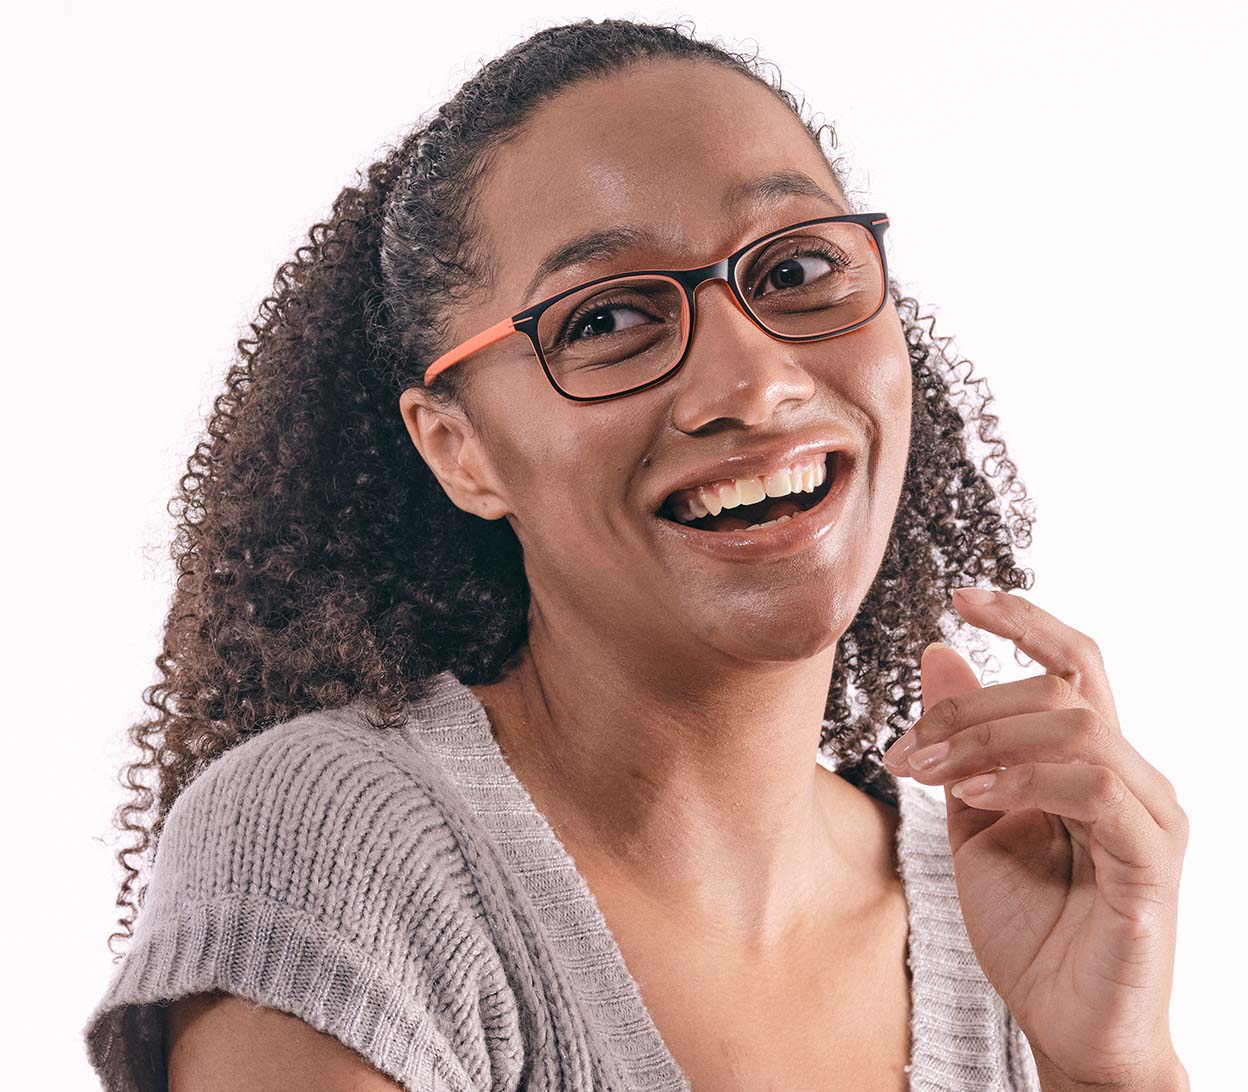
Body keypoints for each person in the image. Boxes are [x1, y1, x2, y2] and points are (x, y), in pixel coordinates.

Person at [81, 17, 1189, 1092]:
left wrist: (1109, 1071)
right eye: (608, 321)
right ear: (461, 452)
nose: (757, 384)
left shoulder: (1008, 893)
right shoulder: (338, 851)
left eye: (798, 270)